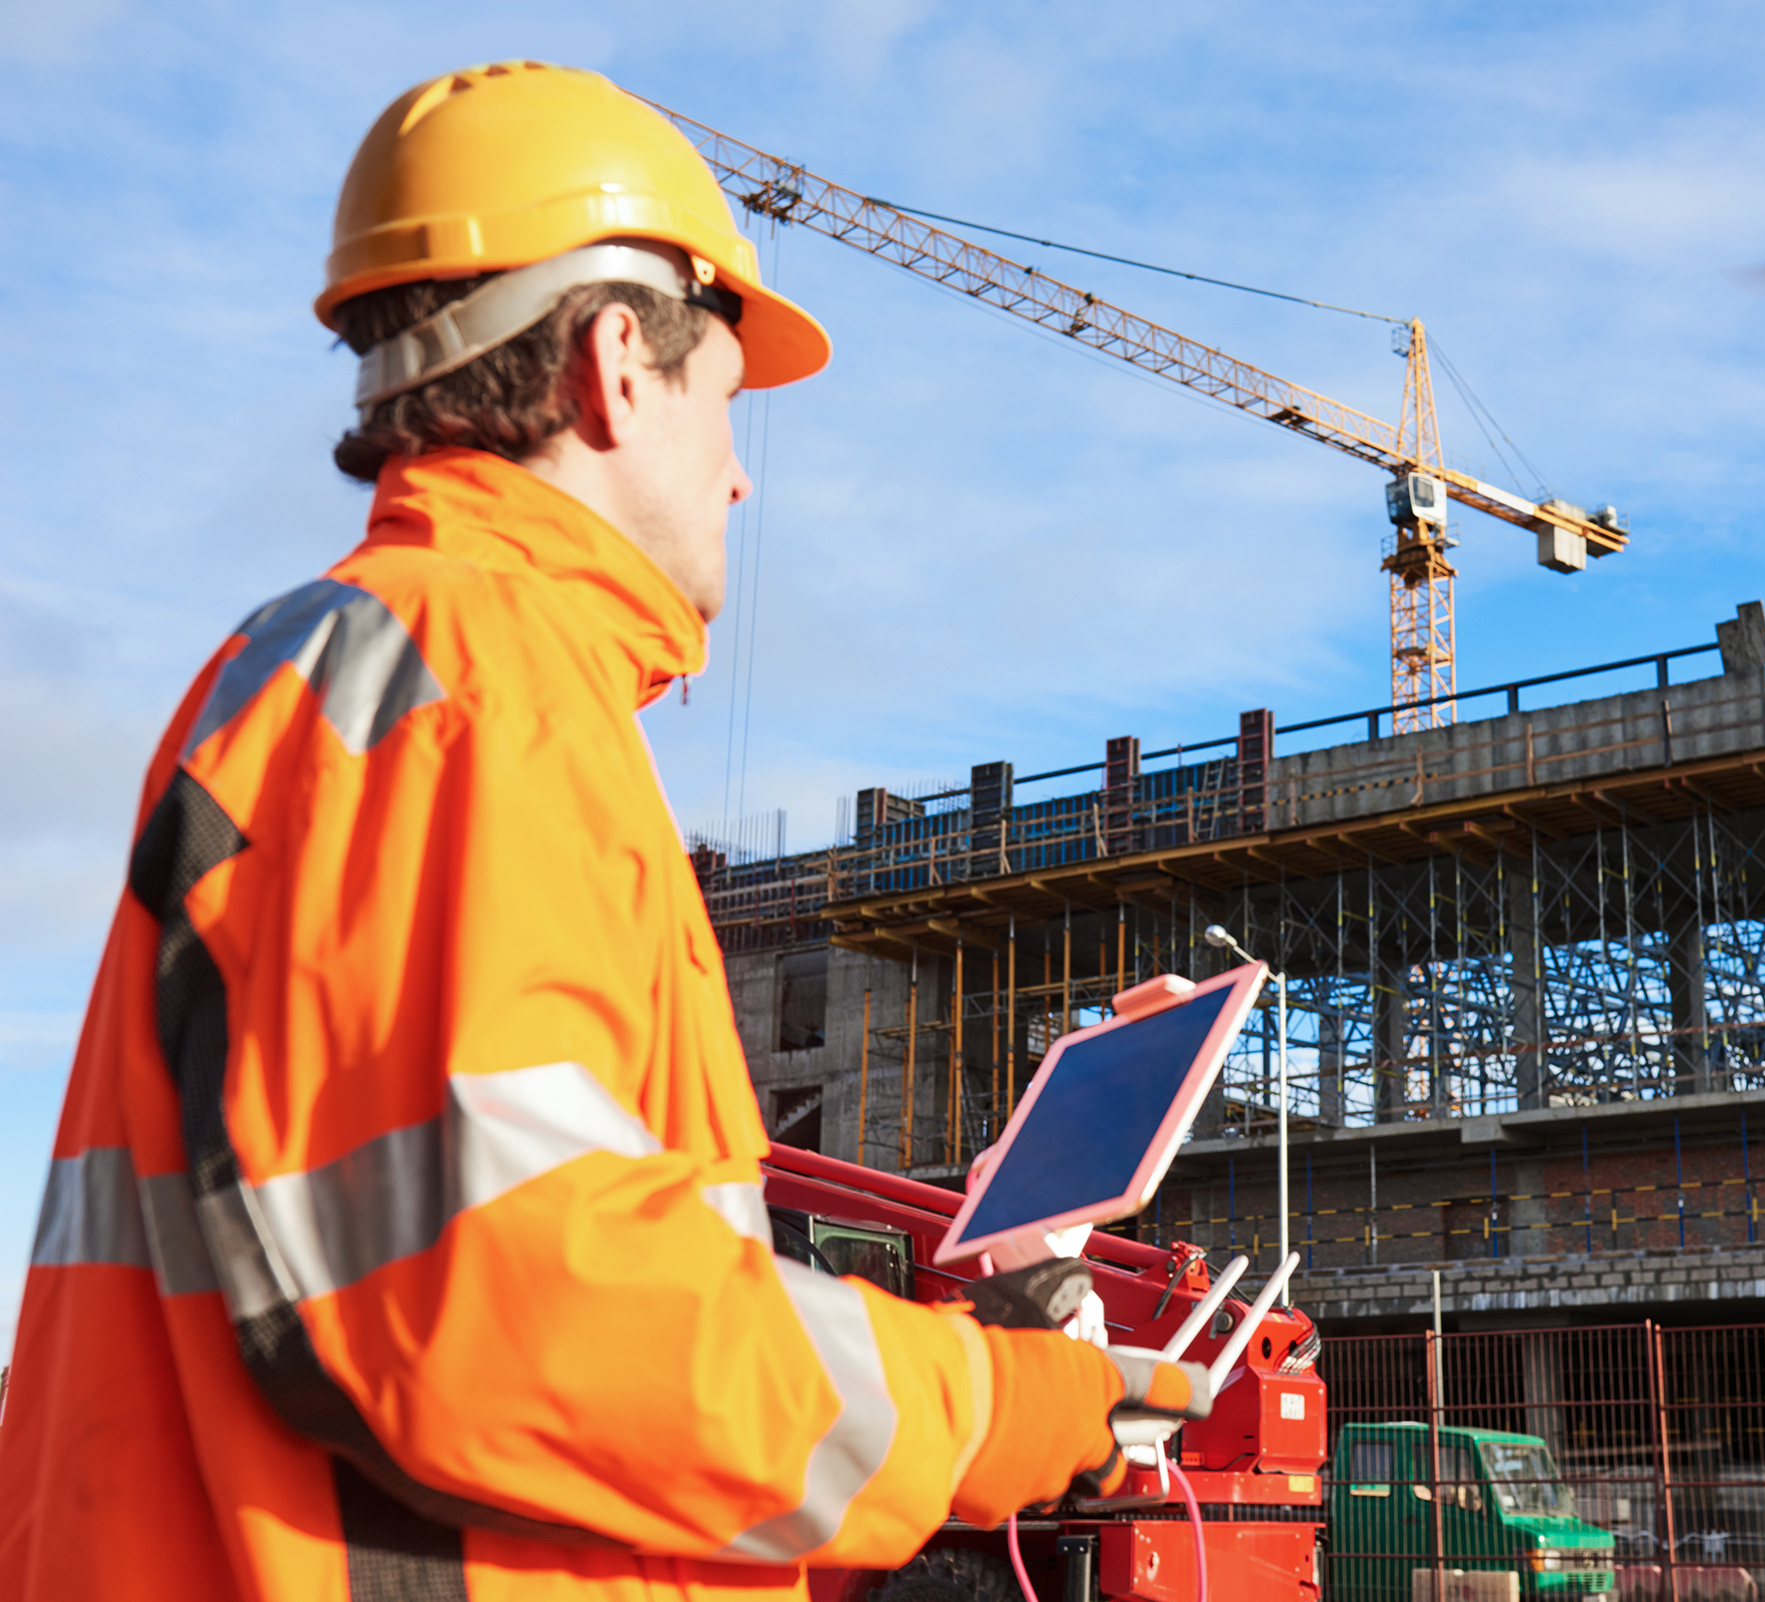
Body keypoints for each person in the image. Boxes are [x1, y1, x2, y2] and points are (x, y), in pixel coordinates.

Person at [0, 60, 1197, 1600]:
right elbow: (520, 1301)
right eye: (729, 401)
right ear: (620, 365)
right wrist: (995, 1404)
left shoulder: (392, 677)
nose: (744, 469)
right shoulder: (474, 686)